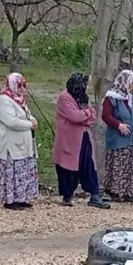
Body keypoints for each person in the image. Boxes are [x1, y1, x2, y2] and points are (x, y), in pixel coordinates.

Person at [53, 73, 108, 209]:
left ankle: (94, 195)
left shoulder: (82, 96)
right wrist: (87, 114)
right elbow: (74, 116)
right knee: (67, 168)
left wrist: (86, 116)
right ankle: (67, 195)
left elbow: (93, 117)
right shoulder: (64, 97)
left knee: (88, 165)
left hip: (84, 136)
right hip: (69, 140)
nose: (85, 87)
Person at [101, 69, 133, 203]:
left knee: (131, 166)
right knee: (117, 166)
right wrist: (119, 125)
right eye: (132, 82)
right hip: (117, 140)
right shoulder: (111, 98)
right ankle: (112, 192)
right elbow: (106, 115)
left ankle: (130, 192)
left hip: (132, 139)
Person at [0, 72, 39, 210]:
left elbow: (27, 114)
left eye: (23, 85)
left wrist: (33, 120)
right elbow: (11, 121)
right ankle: (10, 200)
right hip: (11, 144)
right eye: (19, 85)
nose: (22, 88)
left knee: (23, 170)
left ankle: (22, 198)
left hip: (24, 143)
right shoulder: (4, 100)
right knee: (12, 171)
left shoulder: (19, 99)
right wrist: (29, 124)